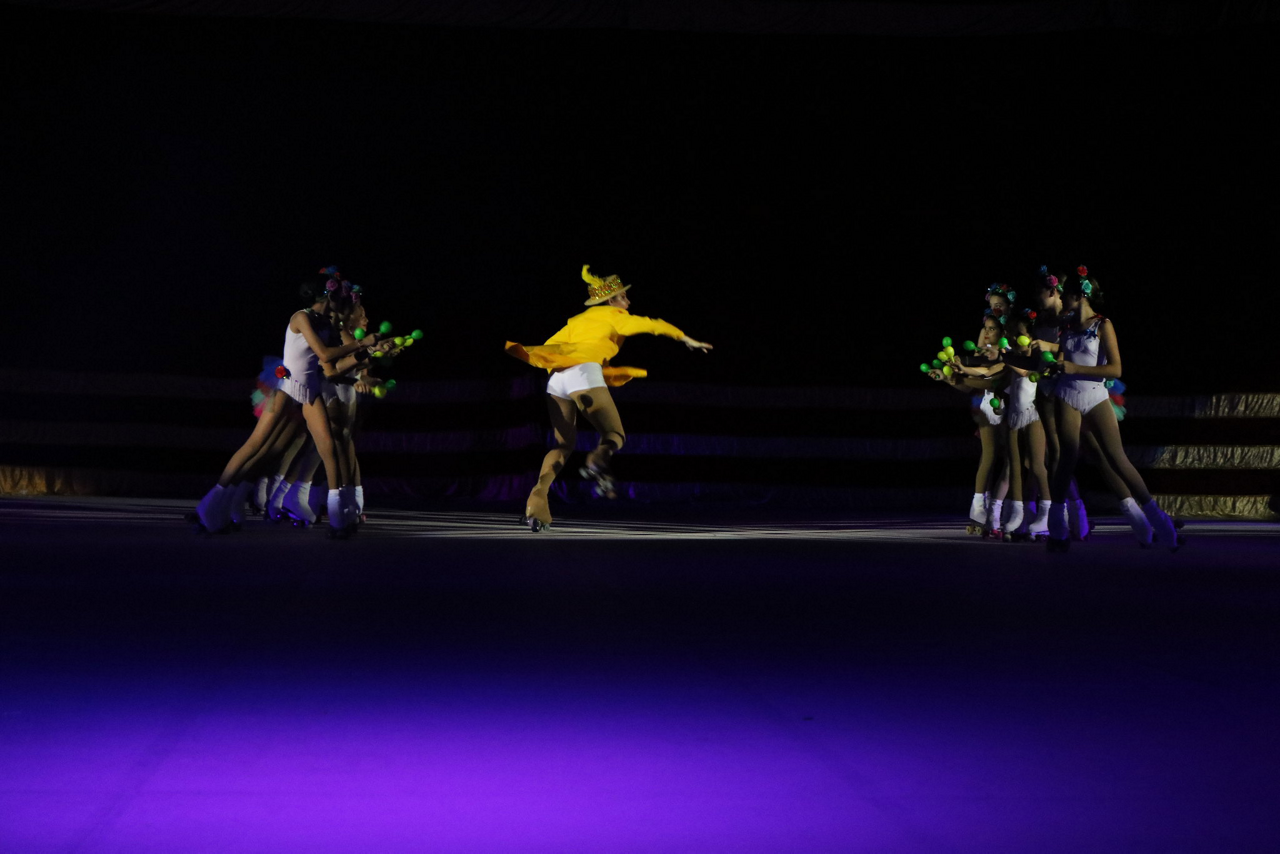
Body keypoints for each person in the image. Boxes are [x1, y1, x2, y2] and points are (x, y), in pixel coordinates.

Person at [505, 265, 712, 532]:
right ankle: (596, 460)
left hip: (556, 379)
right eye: (623, 297)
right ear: (611, 301)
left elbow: (550, 345)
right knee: (614, 434)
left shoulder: (576, 321)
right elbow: (653, 324)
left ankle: (537, 497)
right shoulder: (616, 316)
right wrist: (687, 339)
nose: (628, 302)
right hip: (584, 373)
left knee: (562, 445)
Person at [195, 268, 383, 536]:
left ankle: (339, 517)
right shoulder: (301, 317)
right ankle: (212, 505)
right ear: (328, 295)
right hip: (286, 388)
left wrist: (369, 350)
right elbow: (324, 353)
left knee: (328, 447)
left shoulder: (325, 323)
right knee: (256, 447)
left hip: (310, 391)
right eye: (339, 296)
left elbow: (331, 369)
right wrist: (362, 344)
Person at [1034, 266, 1180, 551]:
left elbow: (1115, 369)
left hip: (1095, 395)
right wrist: (1054, 366)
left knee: (1116, 458)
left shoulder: (1102, 325)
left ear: (1079, 296)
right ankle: (1057, 530)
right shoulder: (1066, 326)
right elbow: (1063, 357)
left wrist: (1074, 367)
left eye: (1066, 295)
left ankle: (1159, 521)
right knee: (1066, 458)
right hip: (1067, 394)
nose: (1061, 299)